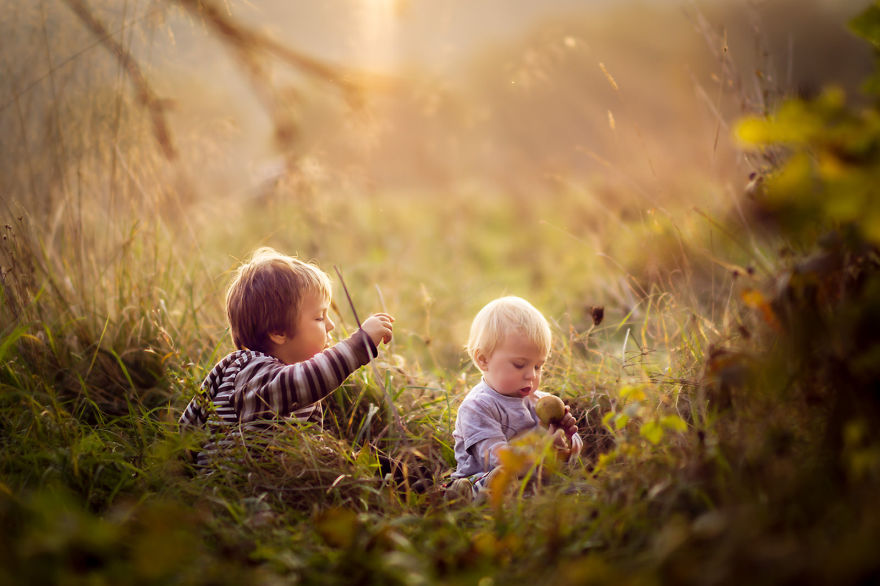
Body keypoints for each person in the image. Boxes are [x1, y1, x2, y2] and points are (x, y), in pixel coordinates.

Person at [179, 247, 393, 466]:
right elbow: (309, 378)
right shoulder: (258, 375)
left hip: (274, 479)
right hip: (246, 488)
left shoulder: (238, 370)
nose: (331, 325)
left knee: (374, 463)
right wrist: (360, 344)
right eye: (319, 318)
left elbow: (188, 426)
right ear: (279, 332)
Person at [449, 296, 582, 499]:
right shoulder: (477, 407)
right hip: (486, 475)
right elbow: (495, 458)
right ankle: (461, 495)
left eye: (538, 366)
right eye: (520, 365)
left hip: (532, 479)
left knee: (580, 489)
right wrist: (543, 449)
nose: (532, 375)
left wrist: (566, 440)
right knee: (496, 480)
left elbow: (565, 459)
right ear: (483, 360)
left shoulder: (540, 402)